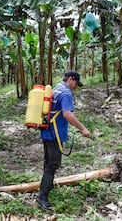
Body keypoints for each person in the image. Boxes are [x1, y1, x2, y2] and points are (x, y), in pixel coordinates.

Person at [36, 70, 92, 212]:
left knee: (48, 162)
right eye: (76, 84)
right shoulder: (66, 93)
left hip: (46, 132)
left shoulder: (56, 88)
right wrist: (83, 128)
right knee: (52, 165)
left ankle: (46, 187)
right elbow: (67, 114)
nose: (75, 87)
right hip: (54, 134)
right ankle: (42, 197)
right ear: (71, 79)